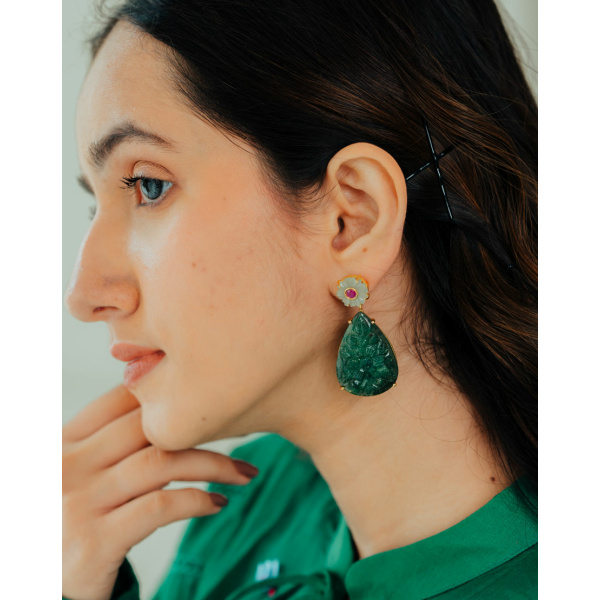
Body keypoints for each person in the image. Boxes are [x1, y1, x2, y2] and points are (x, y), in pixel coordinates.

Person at [62, 0, 538, 598]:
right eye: (95, 203)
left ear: (353, 218)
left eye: (149, 185)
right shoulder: (248, 508)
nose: (84, 295)